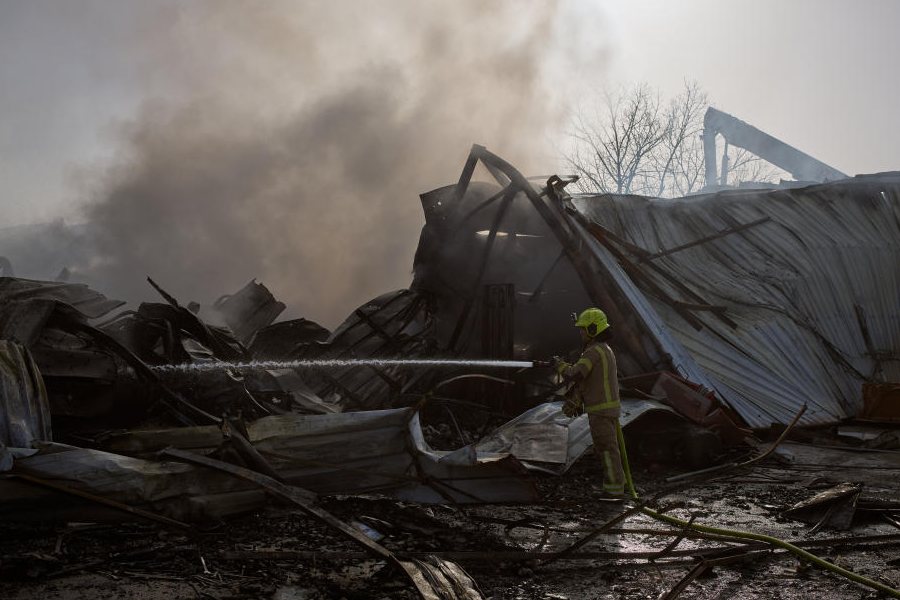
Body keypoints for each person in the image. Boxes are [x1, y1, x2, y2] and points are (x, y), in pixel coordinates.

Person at [554, 308, 626, 498]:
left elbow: (576, 374)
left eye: (583, 329)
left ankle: (614, 491)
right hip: (606, 409)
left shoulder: (593, 351)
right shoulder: (604, 350)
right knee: (607, 449)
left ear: (593, 329)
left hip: (601, 411)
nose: (580, 332)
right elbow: (590, 380)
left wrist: (559, 365)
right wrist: (577, 397)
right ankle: (614, 486)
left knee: (606, 450)